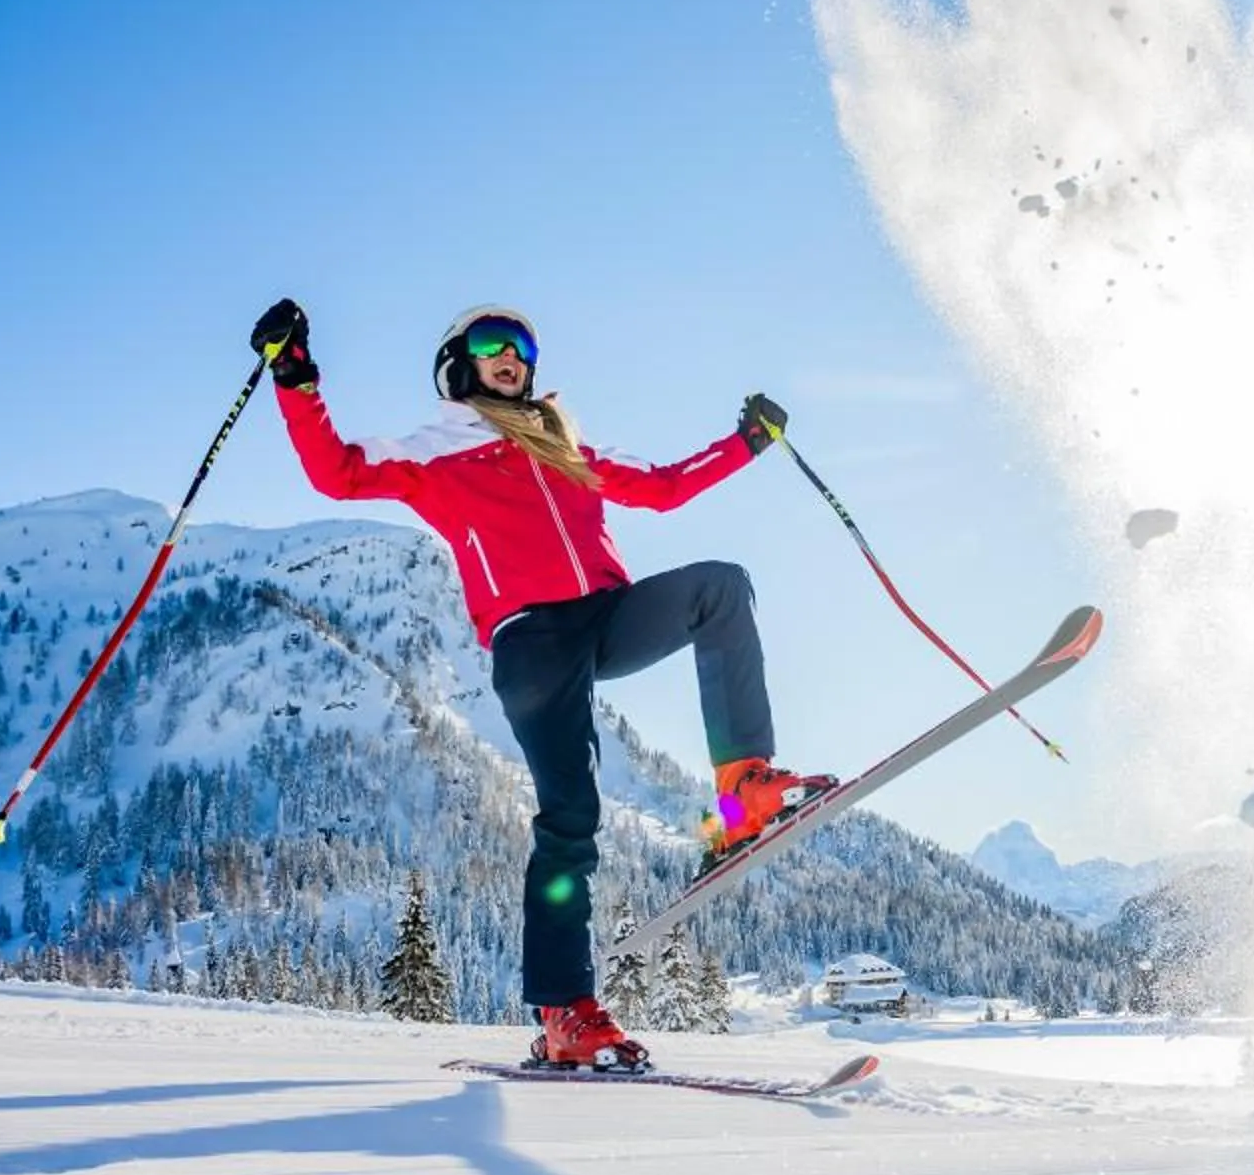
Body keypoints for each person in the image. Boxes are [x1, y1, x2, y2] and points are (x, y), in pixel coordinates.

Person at [248, 297, 827, 1069]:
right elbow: (337, 473)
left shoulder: (564, 445)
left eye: (522, 343)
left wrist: (746, 443)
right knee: (570, 818)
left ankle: (741, 787)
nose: (512, 354)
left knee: (718, 586)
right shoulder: (433, 452)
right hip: (532, 640)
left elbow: (660, 487)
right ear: (459, 363)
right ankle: (565, 1011)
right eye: (493, 342)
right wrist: (295, 376)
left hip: (606, 615)